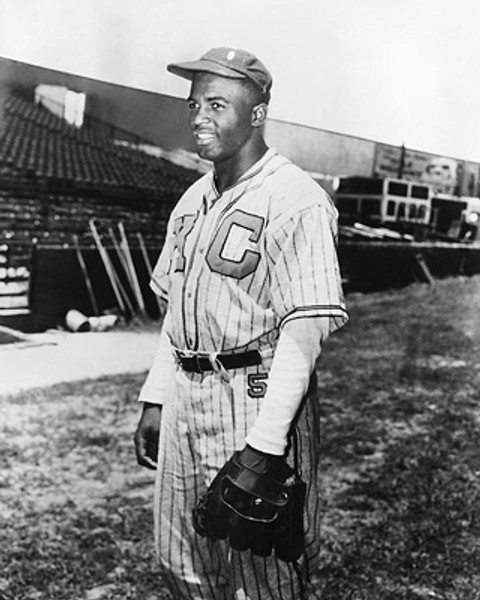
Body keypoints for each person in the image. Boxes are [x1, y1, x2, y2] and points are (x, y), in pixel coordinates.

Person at [134, 47, 348, 600]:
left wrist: (266, 444)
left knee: (262, 581)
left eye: (217, 104)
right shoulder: (191, 201)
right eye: (194, 104)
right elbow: (177, 309)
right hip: (185, 391)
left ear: (257, 114)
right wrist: (157, 397)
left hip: (253, 396)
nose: (199, 116)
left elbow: (304, 335)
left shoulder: (297, 199)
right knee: (180, 564)